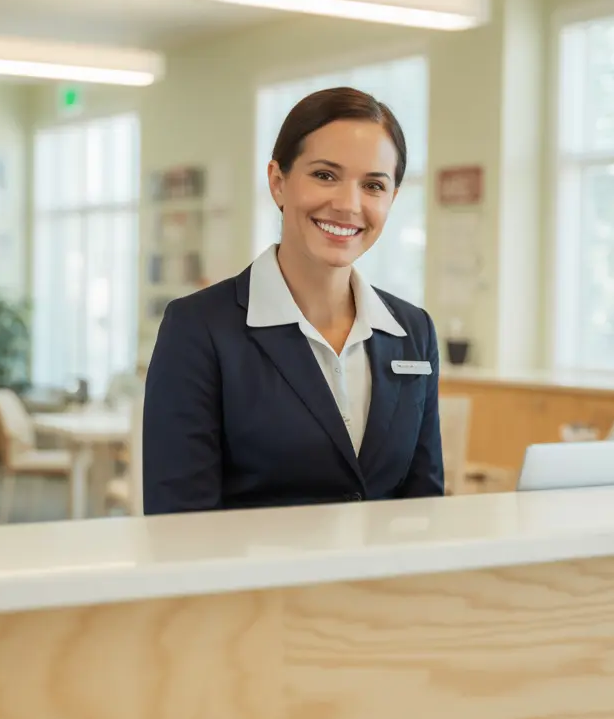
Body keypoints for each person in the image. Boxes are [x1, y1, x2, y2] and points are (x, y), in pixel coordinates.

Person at [142, 87, 444, 514]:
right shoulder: (198, 328)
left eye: (373, 185)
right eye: (325, 175)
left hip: (381, 581)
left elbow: (424, 509)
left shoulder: (414, 332)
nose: (348, 204)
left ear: (393, 198)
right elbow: (178, 520)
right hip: (254, 581)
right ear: (278, 183)